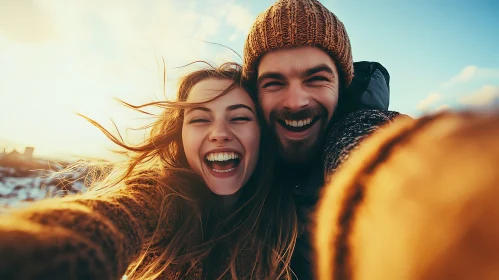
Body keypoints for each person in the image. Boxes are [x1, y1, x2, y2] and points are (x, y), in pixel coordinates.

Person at [0, 62, 298, 279]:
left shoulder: (287, 215)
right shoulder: (160, 197)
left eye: (240, 118)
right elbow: (114, 217)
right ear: (180, 136)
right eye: (199, 120)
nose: (219, 133)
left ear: (262, 133)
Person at [242, 0, 409, 278]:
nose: (295, 102)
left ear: (342, 88)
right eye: (274, 83)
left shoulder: (364, 133)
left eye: (316, 78)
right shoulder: (237, 167)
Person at [315, 110, 499, 280]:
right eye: (283, 82)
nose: (296, 102)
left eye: (317, 78)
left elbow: (375, 161)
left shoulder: (358, 124)